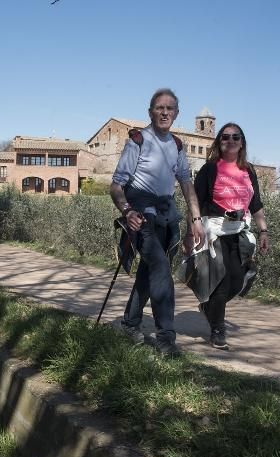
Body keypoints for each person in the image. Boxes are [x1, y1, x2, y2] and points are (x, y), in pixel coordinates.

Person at [109, 88, 205, 354]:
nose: (165, 112)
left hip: (166, 214)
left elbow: (186, 183)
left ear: (176, 113)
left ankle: (129, 322)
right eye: (159, 108)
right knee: (161, 269)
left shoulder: (176, 145)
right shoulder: (138, 141)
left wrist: (195, 219)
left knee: (148, 271)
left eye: (170, 108)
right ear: (150, 111)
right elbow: (116, 186)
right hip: (141, 216)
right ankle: (166, 338)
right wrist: (127, 211)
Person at [189, 123, 269, 350]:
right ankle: (217, 329)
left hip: (239, 231)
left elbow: (256, 204)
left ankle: (208, 308)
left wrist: (263, 230)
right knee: (222, 282)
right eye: (225, 137)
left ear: (242, 142)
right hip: (213, 230)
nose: (230, 140)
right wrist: (191, 232)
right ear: (219, 141)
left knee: (236, 281)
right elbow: (195, 203)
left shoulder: (249, 170)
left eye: (236, 137)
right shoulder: (210, 169)